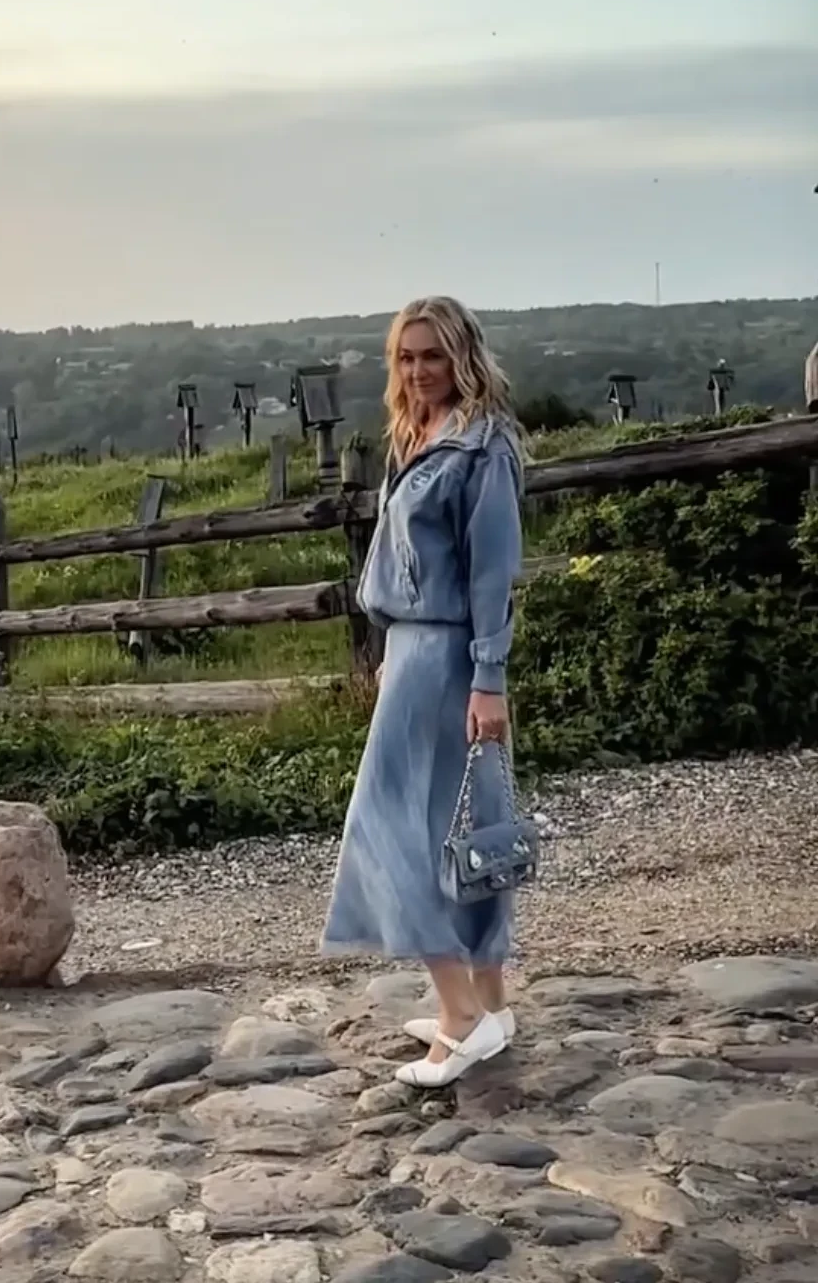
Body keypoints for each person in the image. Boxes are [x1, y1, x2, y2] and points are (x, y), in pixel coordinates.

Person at [320, 295, 524, 1088]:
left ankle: (459, 1015)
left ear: (462, 356)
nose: (416, 370)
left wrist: (488, 680)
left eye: (431, 355)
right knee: (455, 830)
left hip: (448, 658)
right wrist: (389, 648)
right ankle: (491, 1007)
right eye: (405, 357)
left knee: (393, 831)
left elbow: (492, 573)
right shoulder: (417, 434)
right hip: (411, 651)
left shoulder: (483, 447)